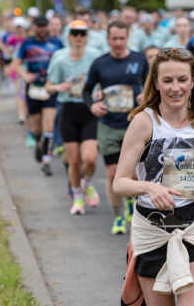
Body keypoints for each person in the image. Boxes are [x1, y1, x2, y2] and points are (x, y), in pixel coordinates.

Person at [114, 47, 194, 306]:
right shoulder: (144, 122)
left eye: (182, 80)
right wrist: (150, 188)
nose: (176, 88)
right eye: (168, 80)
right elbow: (120, 182)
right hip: (153, 230)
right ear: (156, 83)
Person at [82, 20, 148, 234]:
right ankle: (118, 216)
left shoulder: (139, 59)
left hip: (136, 125)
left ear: (128, 37)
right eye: (114, 39)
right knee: (112, 173)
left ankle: (131, 203)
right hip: (109, 124)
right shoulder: (100, 63)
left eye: (122, 38)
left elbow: (152, 85)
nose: (118, 43)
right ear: (108, 39)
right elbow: (86, 91)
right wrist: (93, 106)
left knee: (136, 175)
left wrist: (146, 97)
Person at [46, 20, 101, 215]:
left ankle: (87, 182)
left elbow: (103, 80)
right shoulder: (60, 60)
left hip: (88, 111)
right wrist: (58, 87)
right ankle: (78, 197)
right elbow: (48, 85)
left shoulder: (95, 57)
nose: (79, 38)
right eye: (75, 34)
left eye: (82, 34)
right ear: (68, 37)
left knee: (90, 158)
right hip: (68, 110)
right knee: (74, 160)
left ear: (86, 37)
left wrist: (101, 92)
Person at [12, 16, 63, 176]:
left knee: (49, 124)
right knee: (36, 127)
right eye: (39, 26)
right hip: (33, 88)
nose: (42, 29)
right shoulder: (27, 43)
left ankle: (46, 160)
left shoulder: (57, 43)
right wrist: (24, 75)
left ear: (47, 27)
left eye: (44, 26)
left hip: (50, 88)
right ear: (34, 27)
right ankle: (39, 143)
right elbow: (16, 63)